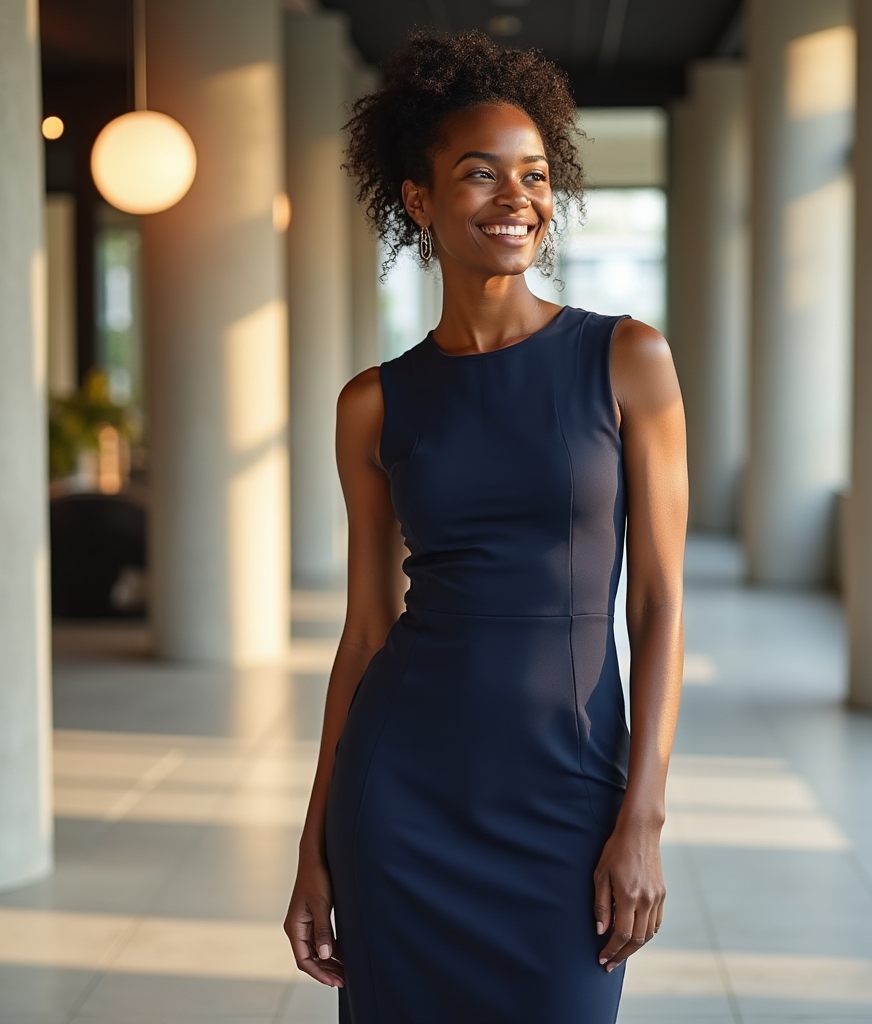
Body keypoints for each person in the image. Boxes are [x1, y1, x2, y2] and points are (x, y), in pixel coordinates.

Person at [284, 29, 687, 1024]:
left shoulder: (627, 360)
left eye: (534, 174)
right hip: (401, 796)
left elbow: (657, 604)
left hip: (568, 793)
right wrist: (314, 842)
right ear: (418, 200)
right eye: (480, 173)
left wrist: (642, 815)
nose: (518, 198)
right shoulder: (373, 404)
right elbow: (366, 633)